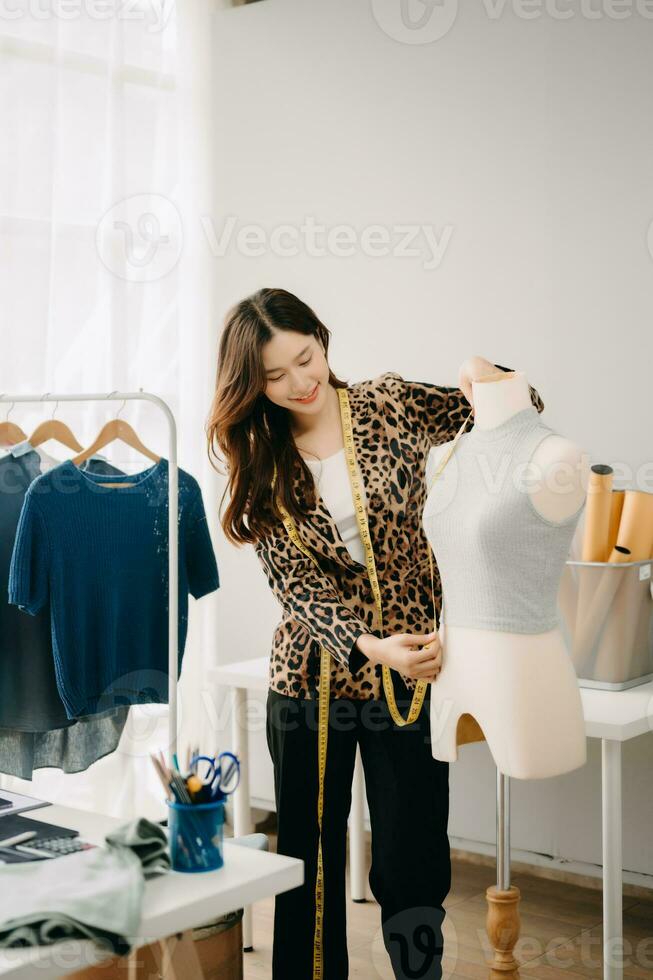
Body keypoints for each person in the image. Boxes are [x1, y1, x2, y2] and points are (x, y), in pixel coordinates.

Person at [206, 287, 544, 980]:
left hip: (411, 672)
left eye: (305, 358)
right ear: (250, 384)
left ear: (322, 340)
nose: (298, 383)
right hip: (310, 677)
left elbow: (520, 411)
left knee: (412, 857)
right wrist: (366, 643)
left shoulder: (389, 402)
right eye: (273, 376)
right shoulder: (260, 451)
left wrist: (483, 368)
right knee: (311, 860)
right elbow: (293, 585)